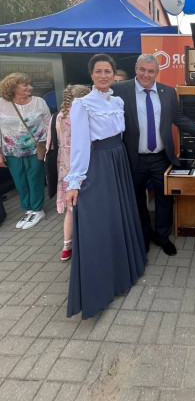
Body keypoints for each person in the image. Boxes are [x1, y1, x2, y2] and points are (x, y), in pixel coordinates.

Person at [112, 54, 195, 256]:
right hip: (133, 158)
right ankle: (144, 236)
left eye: (151, 71)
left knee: (165, 198)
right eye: (142, 69)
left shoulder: (168, 92)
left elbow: (178, 118)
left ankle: (162, 236)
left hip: (161, 158)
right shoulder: (119, 90)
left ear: (157, 72)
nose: (146, 74)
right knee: (137, 200)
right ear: (136, 68)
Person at [65, 54, 147, 319]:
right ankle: (99, 287)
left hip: (119, 159)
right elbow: (79, 145)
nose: (103, 75)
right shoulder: (82, 104)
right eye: (98, 71)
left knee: (119, 216)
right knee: (99, 221)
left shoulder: (118, 100)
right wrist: (75, 182)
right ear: (91, 74)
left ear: (114, 74)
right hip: (99, 162)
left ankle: (123, 272)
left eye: (107, 71)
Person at [0, 73, 51, 229]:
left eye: (30, 84)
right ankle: (28, 209)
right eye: (25, 85)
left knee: (35, 178)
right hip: (11, 150)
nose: (30, 87)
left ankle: (37, 209)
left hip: (36, 148)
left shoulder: (39, 102)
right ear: (12, 87)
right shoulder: (1, 103)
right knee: (19, 180)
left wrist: (50, 146)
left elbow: (48, 124)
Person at [47, 84, 91, 261]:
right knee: (88, 205)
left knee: (70, 210)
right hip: (84, 162)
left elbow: (50, 143)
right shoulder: (85, 116)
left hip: (64, 165)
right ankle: (87, 242)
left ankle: (67, 246)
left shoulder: (57, 117)